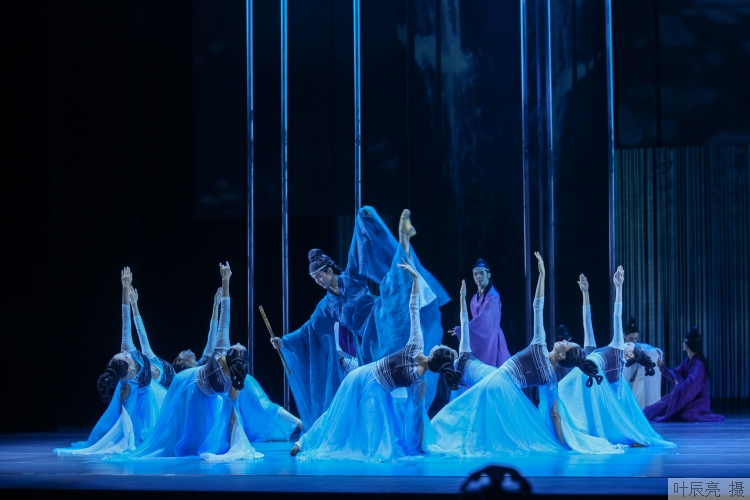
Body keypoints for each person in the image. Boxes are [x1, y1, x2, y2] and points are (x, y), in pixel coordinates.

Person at [426, 253, 622, 457]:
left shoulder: (539, 345)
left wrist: (542, 276)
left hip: (498, 380)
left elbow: (538, 306)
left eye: (566, 344)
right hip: (508, 393)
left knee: (463, 412)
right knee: (484, 426)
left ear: (562, 356)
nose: (563, 341)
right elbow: (554, 415)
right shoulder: (551, 380)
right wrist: (565, 445)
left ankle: (440, 437)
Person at [271, 207, 450, 430]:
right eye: (314, 278)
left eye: (319, 275)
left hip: (379, 321)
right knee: (377, 387)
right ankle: (383, 427)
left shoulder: (351, 279)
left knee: (394, 286)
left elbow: (358, 251)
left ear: (329, 271)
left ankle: (404, 239)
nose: (317, 280)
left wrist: (362, 221)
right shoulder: (326, 306)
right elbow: (309, 330)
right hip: (366, 344)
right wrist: (284, 342)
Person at [288, 261, 459, 462]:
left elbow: (413, 308)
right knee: (353, 417)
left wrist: (414, 279)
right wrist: (420, 445)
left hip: (366, 379)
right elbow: (415, 418)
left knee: (339, 413)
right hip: (374, 387)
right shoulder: (419, 382)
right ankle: (308, 443)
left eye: (441, 347)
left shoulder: (415, 345)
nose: (439, 344)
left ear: (433, 354)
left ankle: (304, 442)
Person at [109, 263, 263, 461]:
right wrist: (225, 283)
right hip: (186, 385)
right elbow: (225, 314)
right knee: (180, 435)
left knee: (193, 438)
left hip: (193, 387)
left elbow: (233, 413)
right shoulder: (224, 364)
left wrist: (235, 443)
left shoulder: (220, 355)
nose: (239, 341)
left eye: (238, 347)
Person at [54, 267, 167, 456]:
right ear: (130, 368)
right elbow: (128, 417)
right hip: (150, 400)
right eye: (124, 356)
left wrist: (127, 292)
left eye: (120, 354)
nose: (125, 353)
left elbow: (125, 320)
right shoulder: (127, 387)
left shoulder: (128, 350)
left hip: (155, 389)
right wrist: (128, 440)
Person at [556, 270, 674, 448]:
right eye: (630, 342)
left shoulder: (618, 354)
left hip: (587, 376)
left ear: (630, 355)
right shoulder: (600, 355)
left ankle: (574, 427)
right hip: (587, 374)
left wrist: (619, 287)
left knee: (568, 393)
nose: (629, 343)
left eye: (631, 345)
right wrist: (585, 292)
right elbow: (587, 321)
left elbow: (617, 316)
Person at [172, 282, 301, 441]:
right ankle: (295, 425)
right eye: (183, 353)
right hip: (231, 384)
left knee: (264, 406)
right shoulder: (207, 365)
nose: (187, 350)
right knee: (255, 409)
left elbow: (215, 328)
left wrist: (217, 302)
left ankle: (299, 424)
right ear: (182, 363)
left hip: (237, 381)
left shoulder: (211, 357)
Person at [644, 327, 724, 422]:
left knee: (688, 415)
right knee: (665, 403)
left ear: (687, 345)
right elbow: (676, 374)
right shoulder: (687, 361)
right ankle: (643, 414)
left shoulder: (698, 364)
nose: (682, 344)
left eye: (683, 342)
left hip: (698, 401)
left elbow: (691, 385)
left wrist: (679, 389)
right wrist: (662, 368)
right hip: (689, 398)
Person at [450, 259, 510, 367]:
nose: (478, 276)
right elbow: (476, 322)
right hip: (480, 339)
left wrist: (464, 329)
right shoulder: (474, 298)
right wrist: (464, 329)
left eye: (482, 273)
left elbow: (483, 321)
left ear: (489, 275)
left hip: (493, 340)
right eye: (475, 274)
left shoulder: (493, 297)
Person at [128, 286, 175, 389]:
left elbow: (141, 333)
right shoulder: (148, 380)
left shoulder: (147, 361)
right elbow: (141, 333)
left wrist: (134, 304)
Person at [623, 317, 664, 409]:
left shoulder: (640, 348)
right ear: (624, 336)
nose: (634, 341)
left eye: (636, 338)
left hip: (639, 387)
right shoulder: (620, 350)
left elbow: (654, 351)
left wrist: (658, 353)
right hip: (625, 386)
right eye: (631, 339)